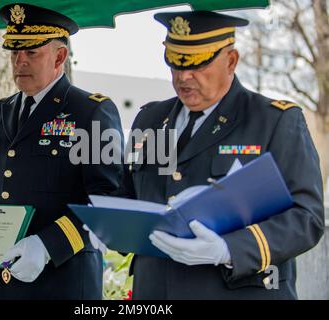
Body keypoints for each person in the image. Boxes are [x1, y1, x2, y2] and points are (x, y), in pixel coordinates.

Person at [120, 10, 324, 299]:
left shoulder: (274, 120)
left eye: (197, 64)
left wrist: (230, 249)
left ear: (231, 61)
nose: (183, 76)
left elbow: (307, 217)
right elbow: (130, 196)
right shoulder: (150, 120)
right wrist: (109, 226)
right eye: (175, 63)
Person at [0, 3, 123, 300]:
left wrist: (48, 245)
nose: (19, 62)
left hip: (59, 281)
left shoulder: (90, 112)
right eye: (15, 53)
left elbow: (107, 200)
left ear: (60, 56)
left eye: (31, 53)